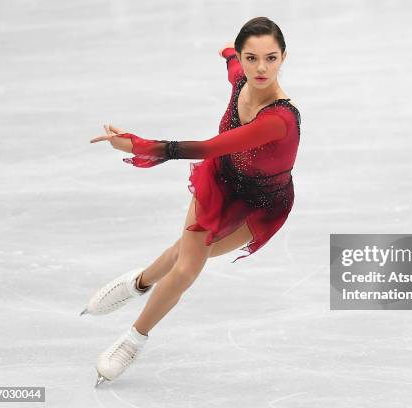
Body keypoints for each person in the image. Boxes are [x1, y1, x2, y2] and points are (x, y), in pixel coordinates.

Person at [81, 17, 301, 387]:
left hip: (262, 204)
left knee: (186, 254)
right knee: (186, 266)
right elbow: (231, 63)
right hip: (221, 183)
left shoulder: (278, 119)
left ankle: (139, 289)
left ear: (283, 58)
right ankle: (135, 328)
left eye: (270, 58)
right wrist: (228, 53)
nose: (260, 67)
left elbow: (206, 147)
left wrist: (137, 145)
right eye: (251, 58)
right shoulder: (240, 79)